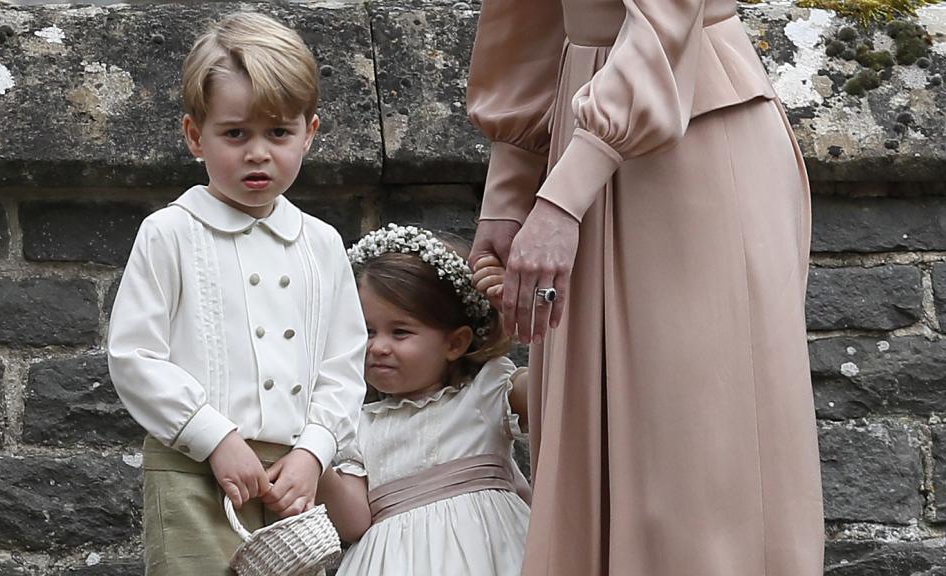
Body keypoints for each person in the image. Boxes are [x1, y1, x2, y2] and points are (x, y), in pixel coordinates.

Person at [466, 0, 825, 574]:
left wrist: (563, 196)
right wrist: (511, 188)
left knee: (696, 466)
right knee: (593, 463)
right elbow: (525, 16)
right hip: (581, 147)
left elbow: (667, 17)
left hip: (692, 141)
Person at [106, 13, 367, 575]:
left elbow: (343, 366)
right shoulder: (169, 232)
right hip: (191, 469)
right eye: (235, 133)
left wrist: (314, 452)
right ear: (195, 136)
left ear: (310, 133)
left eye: (278, 133)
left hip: (294, 481)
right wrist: (215, 437)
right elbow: (134, 356)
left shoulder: (322, 244)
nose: (257, 153)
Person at [316, 224, 532, 575]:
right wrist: (315, 456)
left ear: (455, 343)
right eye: (366, 331)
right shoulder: (356, 424)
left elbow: (555, 400)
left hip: (488, 556)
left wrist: (526, 318)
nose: (378, 347)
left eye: (400, 332)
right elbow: (354, 522)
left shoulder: (487, 392)